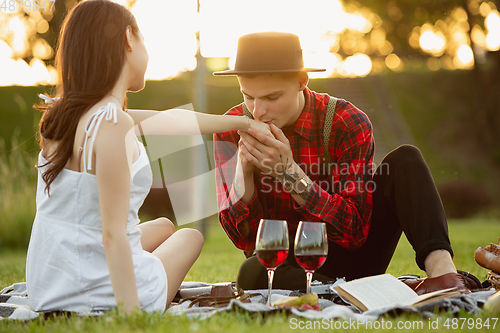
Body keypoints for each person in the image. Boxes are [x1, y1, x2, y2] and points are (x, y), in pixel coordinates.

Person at [26, 0, 270, 315]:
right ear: (129, 38)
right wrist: (131, 315)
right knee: (190, 237)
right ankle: (131, 292)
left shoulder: (68, 113)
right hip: (92, 293)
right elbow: (113, 235)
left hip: (48, 282)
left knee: (164, 226)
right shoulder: (113, 123)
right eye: (144, 40)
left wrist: (244, 122)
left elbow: (172, 122)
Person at [213, 32, 478, 294]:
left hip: (352, 255)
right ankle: (345, 290)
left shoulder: (345, 121)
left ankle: (444, 276)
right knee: (252, 273)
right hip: (284, 263)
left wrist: (289, 173)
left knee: (406, 159)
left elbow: (355, 231)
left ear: (301, 81)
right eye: (248, 96)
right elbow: (244, 240)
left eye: (272, 98)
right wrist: (243, 174)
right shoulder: (229, 130)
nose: (258, 111)